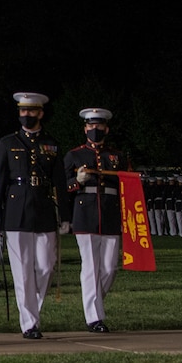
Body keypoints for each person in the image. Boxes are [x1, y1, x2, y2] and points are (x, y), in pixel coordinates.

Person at [0, 92, 68, 339]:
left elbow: (60, 183)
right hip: (15, 211)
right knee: (22, 270)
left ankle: (32, 312)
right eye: (22, 111)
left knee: (45, 267)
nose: (26, 115)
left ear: (40, 113)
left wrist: (65, 215)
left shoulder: (51, 144)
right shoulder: (7, 143)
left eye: (31, 111)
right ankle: (30, 323)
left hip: (43, 210)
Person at [62, 107, 124, 334]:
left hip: (109, 214)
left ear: (106, 128)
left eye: (98, 126)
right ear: (85, 128)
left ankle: (94, 303)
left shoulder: (116, 156)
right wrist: (76, 181)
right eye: (91, 126)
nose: (94, 129)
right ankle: (94, 318)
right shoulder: (74, 155)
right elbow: (62, 186)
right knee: (90, 267)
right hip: (85, 214)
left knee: (109, 268)